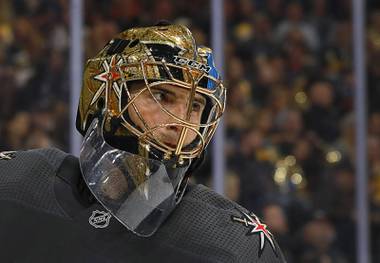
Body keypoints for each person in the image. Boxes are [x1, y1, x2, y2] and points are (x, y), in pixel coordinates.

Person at [0, 22, 286, 262]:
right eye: (162, 96)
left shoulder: (236, 243)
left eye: (196, 106)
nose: (181, 122)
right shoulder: (13, 182)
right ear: (107, 98)